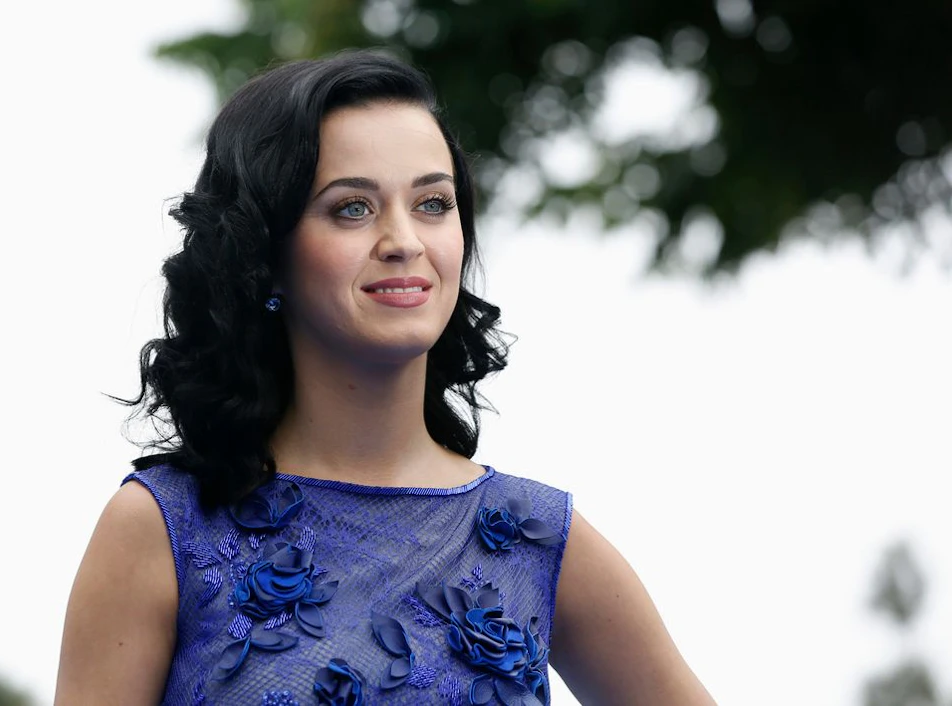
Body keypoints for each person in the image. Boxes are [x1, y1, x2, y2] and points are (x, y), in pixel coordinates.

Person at [55, 50, 717, 706]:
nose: (404, 240)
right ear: (265, 255)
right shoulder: (161, 529)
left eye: (433, 203)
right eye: (352, 208)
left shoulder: (538, 538)